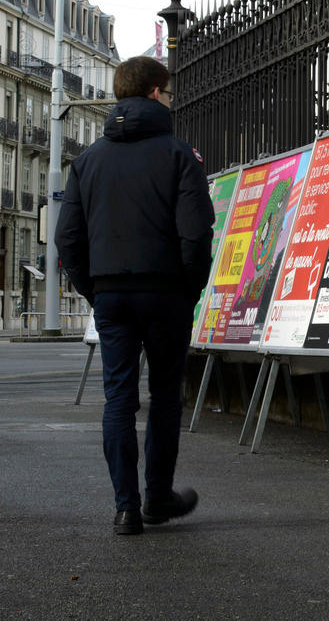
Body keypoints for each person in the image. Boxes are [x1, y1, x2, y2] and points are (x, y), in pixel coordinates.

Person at [55, 56, 214, 535]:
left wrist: (94, 289)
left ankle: (126, 507)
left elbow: (68, 238)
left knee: (118, 399)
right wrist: (190, 287)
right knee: (165, 395)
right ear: (152, 93)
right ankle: (157, 497)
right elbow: (196, 233)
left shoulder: (87, 161)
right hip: (166, 293)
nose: (168, 98)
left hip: (111, 295)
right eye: (165, 92)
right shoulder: (178, 155)